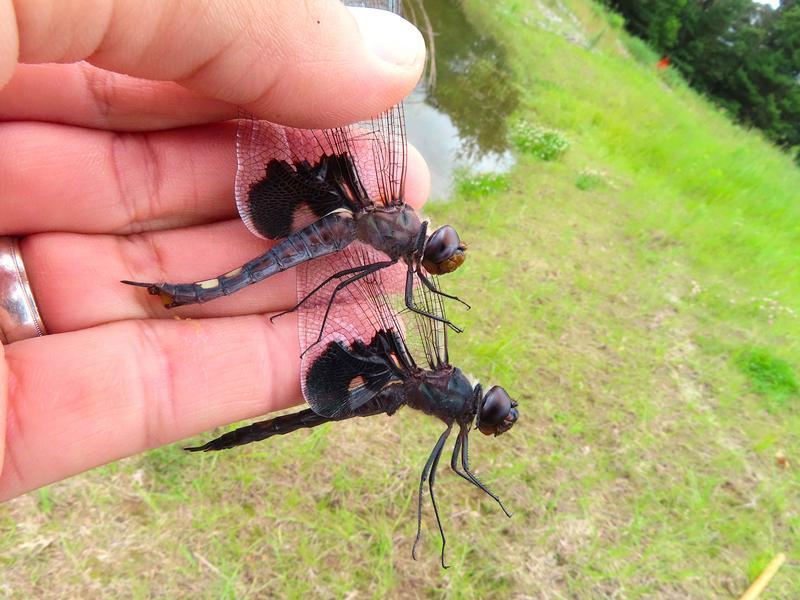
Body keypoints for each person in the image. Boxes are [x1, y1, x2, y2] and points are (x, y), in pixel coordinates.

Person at [0, 0, 429, 501]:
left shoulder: (392, 237)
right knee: (286, 277)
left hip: (333, 224)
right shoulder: (394, 243)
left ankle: (189, 292)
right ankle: (191, 291)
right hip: (330, 224)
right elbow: (340, 283)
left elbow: (340, 283)